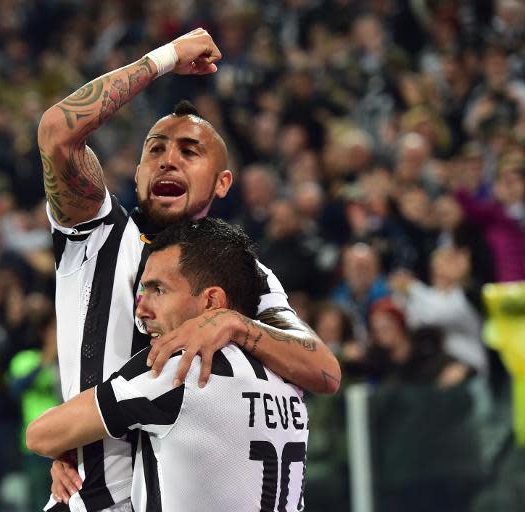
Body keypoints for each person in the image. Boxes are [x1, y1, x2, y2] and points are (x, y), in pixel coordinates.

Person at [38, 28, 339, 511]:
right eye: (154, 149)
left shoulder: (245, 272)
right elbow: (57, 131)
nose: (167, 160)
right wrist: (163, 59)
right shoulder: (97, 236)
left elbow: (323, 370)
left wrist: (235, 323)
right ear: (136, 174)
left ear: (222, 183)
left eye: (188, 152)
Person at [27, 218, 309, 511]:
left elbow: (40, 435)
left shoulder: (181, 368)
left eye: (158, 290)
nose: (142, 309)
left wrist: (72, 447)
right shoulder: (290, 376)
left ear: (212, 301)